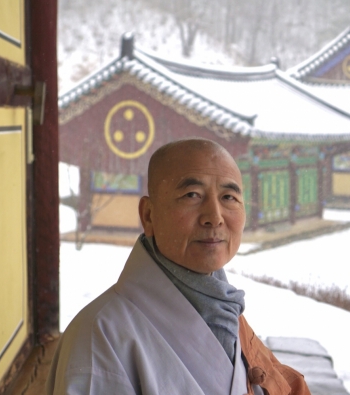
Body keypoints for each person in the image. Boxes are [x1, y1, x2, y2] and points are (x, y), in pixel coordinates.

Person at [46, 138, 311, 395]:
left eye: (229, 197)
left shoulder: (227, 312)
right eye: (192, 195)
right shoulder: (100, 337)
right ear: (148, 215)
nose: (214, 218)